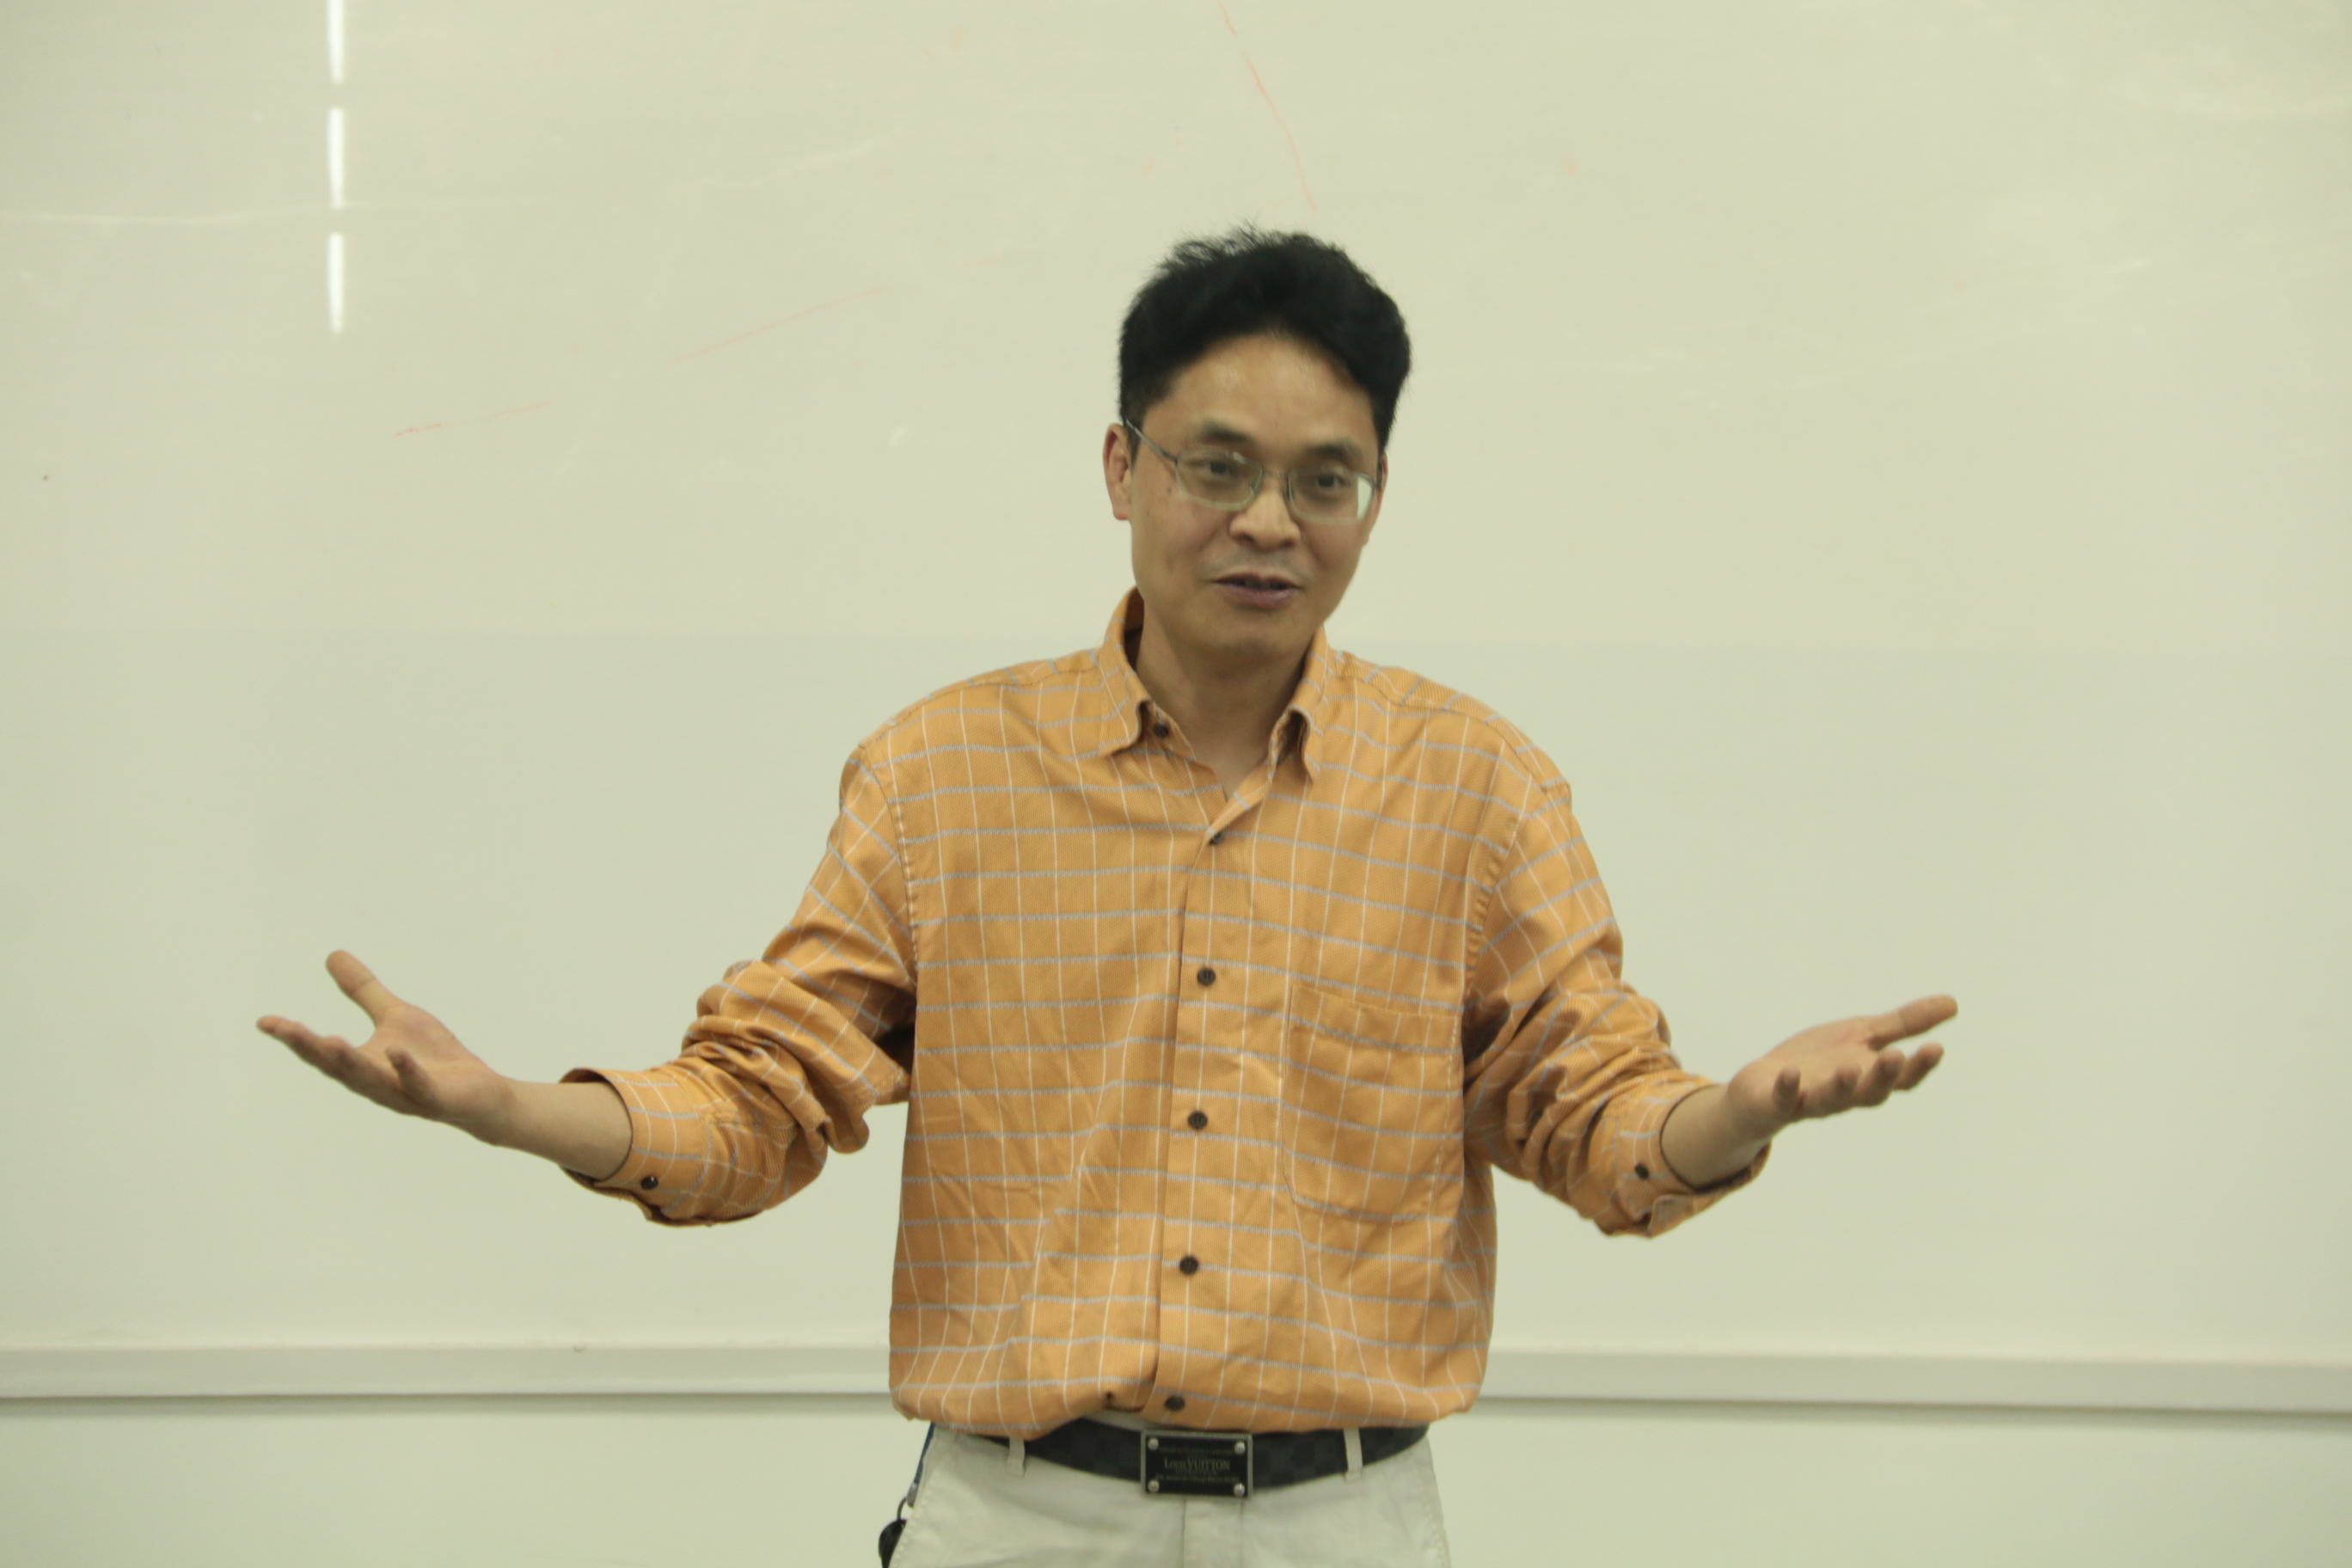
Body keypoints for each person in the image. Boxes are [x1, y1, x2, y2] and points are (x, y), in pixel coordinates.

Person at [259, 228, 1953, 1568]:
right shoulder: (942, 775)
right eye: (1219, 467)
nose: (1269, 522)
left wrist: (1738, 1111)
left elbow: (1596, 1120)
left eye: (1327, 479)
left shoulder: (1476, 786)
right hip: (1017, 1515)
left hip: (1344, 1521)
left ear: (1375, 497)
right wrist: (516, 1111)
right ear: (1123, 466)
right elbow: (759, 1101)